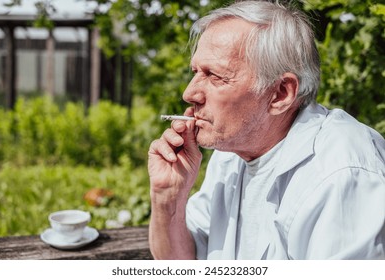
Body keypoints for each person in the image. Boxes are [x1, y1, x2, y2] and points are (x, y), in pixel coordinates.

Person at [147, 0, 385, 260]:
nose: (189, 93)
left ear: (280, 93)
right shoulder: (231, 154)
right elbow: (183, 265)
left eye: (214, 76)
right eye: (195, 72)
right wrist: (168, 198)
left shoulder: (341, 175)